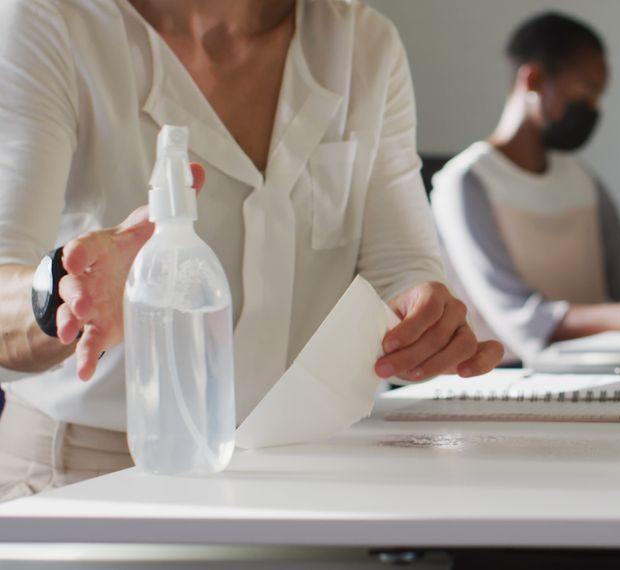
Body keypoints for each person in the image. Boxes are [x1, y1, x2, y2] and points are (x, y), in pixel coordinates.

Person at [0, 0, 501, 500]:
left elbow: (401, 269)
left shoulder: (363, 43)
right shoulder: (49, 23)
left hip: (307, 471)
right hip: (87, 478)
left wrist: (423, 320)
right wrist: (68, 296)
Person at [431, 12, 620, 364]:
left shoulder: (583, 181)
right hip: (508, 381)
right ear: (534, 80)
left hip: (600, 373)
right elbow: (520, 321)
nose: (593, 109)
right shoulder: (466, 183)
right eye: (586, 92)